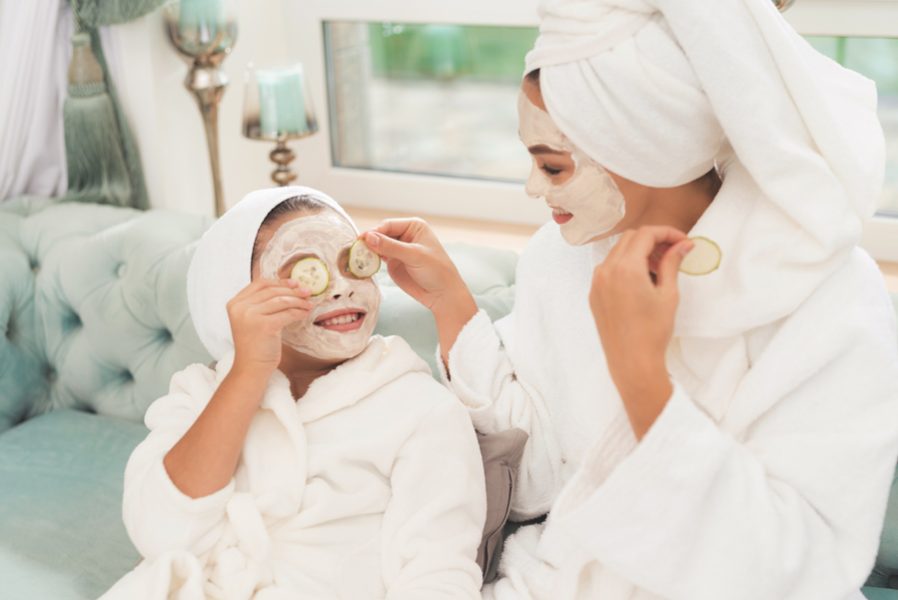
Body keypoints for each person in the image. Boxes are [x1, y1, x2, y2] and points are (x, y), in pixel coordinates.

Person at [361, 0, 898, 598]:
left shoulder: (828, 296)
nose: (532, 188)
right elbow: (540, 478)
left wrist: (643, 378)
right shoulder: (561, 256)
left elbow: (798, 570)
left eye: (554, 167)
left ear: (645, 145)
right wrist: (452, 307)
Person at [101, 187, 486, 599]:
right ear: (233, 298)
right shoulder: (199, 392)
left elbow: (437, 575)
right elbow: (159, 535)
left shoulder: (421, 409)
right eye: (306, 272)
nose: (341, 288)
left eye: (351, 264)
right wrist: (248, 372)